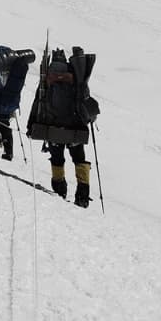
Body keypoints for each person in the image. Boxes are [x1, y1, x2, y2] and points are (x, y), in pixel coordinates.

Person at [26, 46, 100, 208]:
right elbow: (86, 104)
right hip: (75, 129)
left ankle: (60, 190)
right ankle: (82, 196)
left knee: (57, 160)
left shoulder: (47, 80)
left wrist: (31, 125)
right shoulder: (76, 80)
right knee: (80, 160)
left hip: (53, 129)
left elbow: (38, 104)